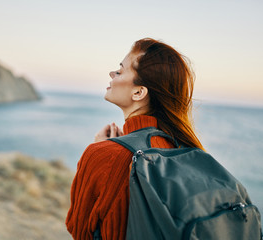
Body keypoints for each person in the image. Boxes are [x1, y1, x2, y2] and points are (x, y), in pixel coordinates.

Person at [65, 38, 204, 239]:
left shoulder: (102, 155)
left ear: (139, 92)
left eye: (120, 71)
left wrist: (101, 151)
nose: (111, 74)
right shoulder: (187, 151)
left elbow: (79, 229)